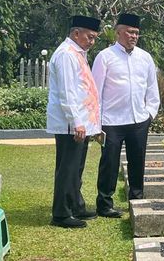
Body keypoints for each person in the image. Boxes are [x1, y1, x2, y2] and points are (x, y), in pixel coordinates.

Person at [92, 13, 160, 218]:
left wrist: (150, 114)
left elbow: (152, 88)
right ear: (118, 32)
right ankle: (104, 204)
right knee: (109, 163)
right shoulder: (105, 57)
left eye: (137, 33)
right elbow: (96, 91)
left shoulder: (145, 57)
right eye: (130, 32)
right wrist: (97, 122)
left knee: (137, 161)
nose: (133, 36)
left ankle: (137, 198)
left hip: (139, 120)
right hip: (112, 121)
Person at [47, 15, 101, 228]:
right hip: (71, 124)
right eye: (89, 37)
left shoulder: (78, 53)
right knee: (67, 168)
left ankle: (76, 204)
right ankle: (61, 213)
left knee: (76, 167)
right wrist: (77, 122)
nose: (92, 41)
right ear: (76, 33)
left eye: (95, 38)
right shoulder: (66, 55)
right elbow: (67, 92)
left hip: (80, 122)